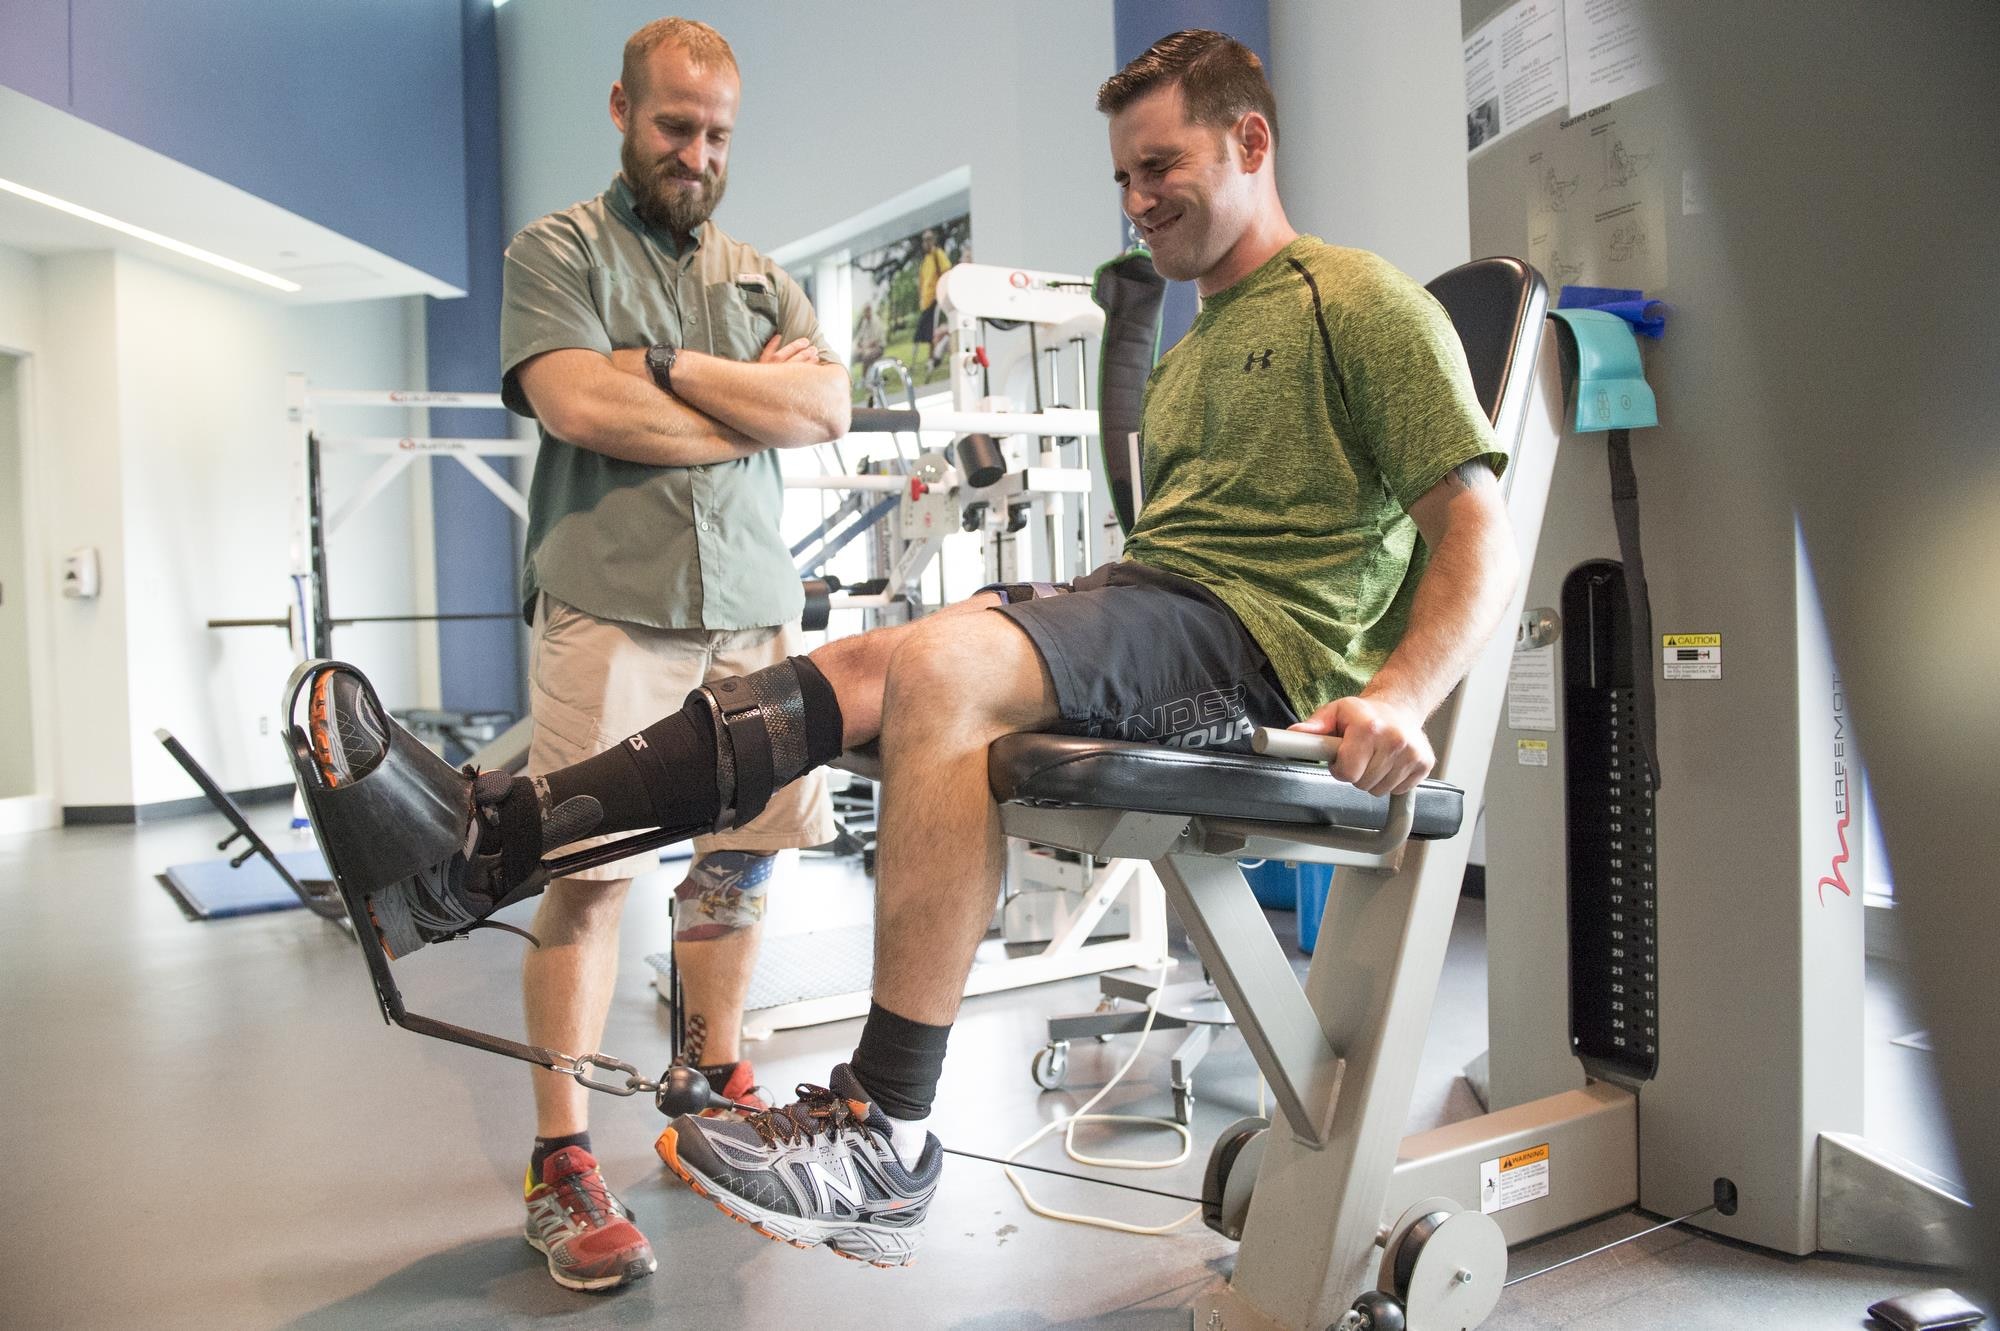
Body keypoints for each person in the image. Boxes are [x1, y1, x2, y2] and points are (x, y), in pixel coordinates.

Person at [304, 29, 1516, 1271]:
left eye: (1160, 166)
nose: (1139, 199)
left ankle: (882, 1125)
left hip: (1254, 645)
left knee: (943, 669)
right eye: (1123, 178)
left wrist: (1399, 693)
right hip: (1157, 600)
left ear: (1249, 142)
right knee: (867, 664)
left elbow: (1474, 523)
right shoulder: (1200, 341)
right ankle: (488, 843)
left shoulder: (1356, 297)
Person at [490, 16, 848, 1291]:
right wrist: (736, 409)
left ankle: (709, 1076)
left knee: (738, 866)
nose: (696, 153)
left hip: (750, 603)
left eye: (716, 135)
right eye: (673, 126)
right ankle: (562, 1160)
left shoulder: (762, 277)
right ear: (621, 110)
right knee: (587, 876)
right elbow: (577, 405)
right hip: (611, 603)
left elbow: (822, 405)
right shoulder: (557, 252)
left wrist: (669, 373)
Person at [914, 227, 953, 372]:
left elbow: (946, 272)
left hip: (936, 301)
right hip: (926, 302)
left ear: (933, 240)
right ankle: (930, 359)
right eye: (924, 240)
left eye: (929, 239)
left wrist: (940, 294)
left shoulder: (939, 254)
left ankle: (933, 359)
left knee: (933, 332)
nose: (927, 243)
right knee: (925, 334)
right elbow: (922, 281)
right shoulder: (926, 260)